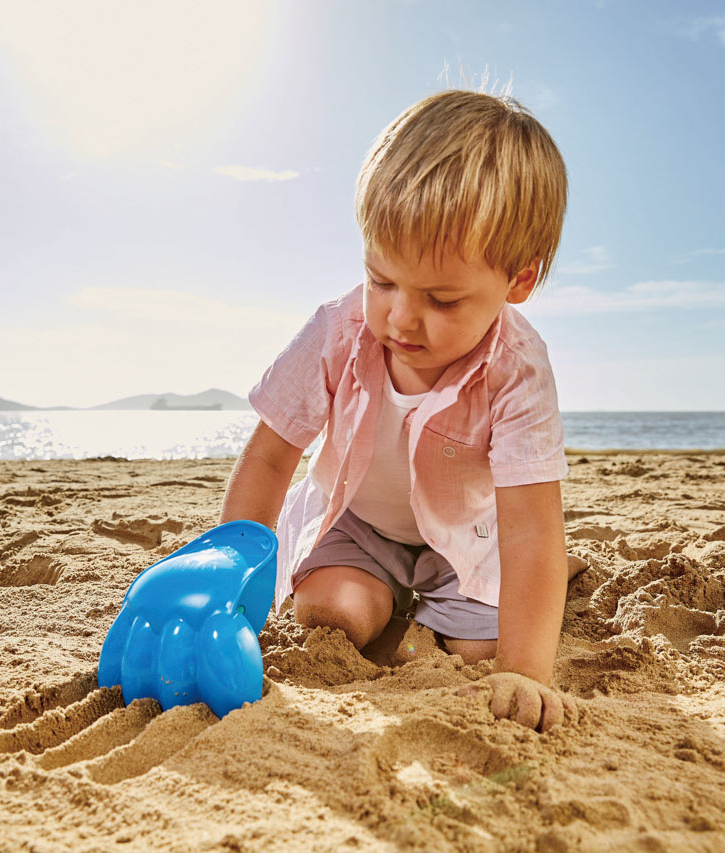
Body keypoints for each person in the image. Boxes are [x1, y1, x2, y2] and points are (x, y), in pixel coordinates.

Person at [220, 90, 575, 731]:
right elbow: (271, 458)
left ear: (518, 281)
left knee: (485, 652)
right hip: (357, 521)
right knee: (333, 617)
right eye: (381, 280)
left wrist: (525, 672)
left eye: (442, 299)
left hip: (467, 539)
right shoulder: (338, 330)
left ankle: (493, 597)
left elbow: (530, 526)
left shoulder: (517, 367)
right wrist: (225, 592)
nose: (401, 318)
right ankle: (390, 595)